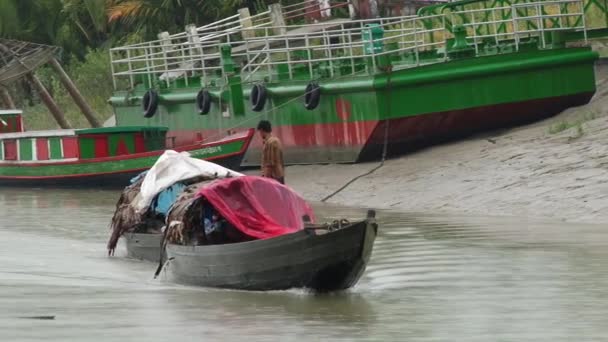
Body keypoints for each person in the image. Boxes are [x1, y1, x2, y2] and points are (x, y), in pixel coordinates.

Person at [257, 120, 285, 184]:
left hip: (274, 176)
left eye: (259, 132)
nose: (259, 134)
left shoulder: (270, 142)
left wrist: (266, 179)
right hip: (279, 174)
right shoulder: (276, 140)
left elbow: (270, 164)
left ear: (262, 130)